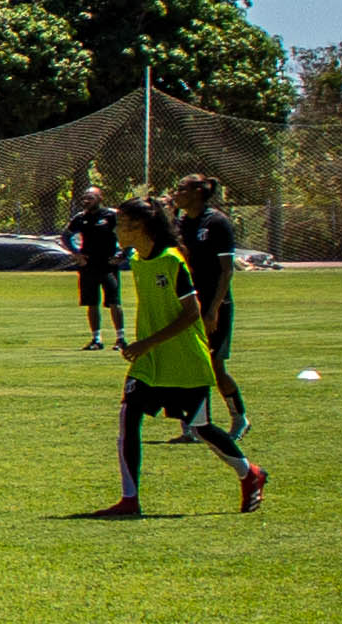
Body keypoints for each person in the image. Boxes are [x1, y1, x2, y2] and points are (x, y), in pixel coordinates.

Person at [95, 198, 263, 516]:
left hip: (184, 360)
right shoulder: (138, 260)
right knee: (128, 419)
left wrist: (147, 342)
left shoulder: (172, 260)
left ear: (139, 227)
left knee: (201, 429)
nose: (116, 229)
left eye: (121, 223)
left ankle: (250, 473)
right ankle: (130, 500)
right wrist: (146, 347)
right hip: (150, 363)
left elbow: (191, 314)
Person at [169, 175, 248, 439]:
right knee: (190, 365)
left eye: (181, 189)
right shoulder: (181, 223)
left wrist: (213, 309)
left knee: (214, 366)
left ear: (198, 193)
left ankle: (239, 418)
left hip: (215, 304)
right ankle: (193, 426)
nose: (176, 193)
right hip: (189, 303)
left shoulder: (216, 222)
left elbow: (226, 271)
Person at [64, 182, 125, 352]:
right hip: (88, 264)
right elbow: (66, 235)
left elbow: (127, 232)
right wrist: (76, 254)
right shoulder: (80, 218)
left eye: (90, 198)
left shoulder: (111, 215)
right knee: (92, 302)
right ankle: (96, 339)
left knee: (114, 301)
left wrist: (123, 254)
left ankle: (121, 338)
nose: (86, 201)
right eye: (84, 198)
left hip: (107, 264)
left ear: (100, 198)